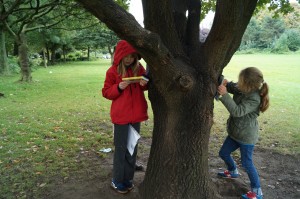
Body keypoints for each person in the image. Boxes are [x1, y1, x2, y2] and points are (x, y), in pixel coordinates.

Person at [102, 40, 149, 194]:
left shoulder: (139, 68)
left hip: (136, 117)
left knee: (132, 148)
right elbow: (106, 92)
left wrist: (144, 83)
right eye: (126, 56)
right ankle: (117, 180)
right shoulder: (112, 71)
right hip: (121, 118)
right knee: (121, 150)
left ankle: (128, 179)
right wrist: (118, 87)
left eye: (132, 56)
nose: (129, 59)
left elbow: (146, 85)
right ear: (120, 55)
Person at [217, 67, 269, 199]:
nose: (238, 84)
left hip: (247, 137)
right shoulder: (243, 88)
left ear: (249, 85)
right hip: (235, 133)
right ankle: (233, 170)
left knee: (247, 163)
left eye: (241, 82)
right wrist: (225, 83)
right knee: (223, 153)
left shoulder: (254, 99)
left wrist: (224, 94)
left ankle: (257, 192)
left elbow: (237, 111)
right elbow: (233, 87)